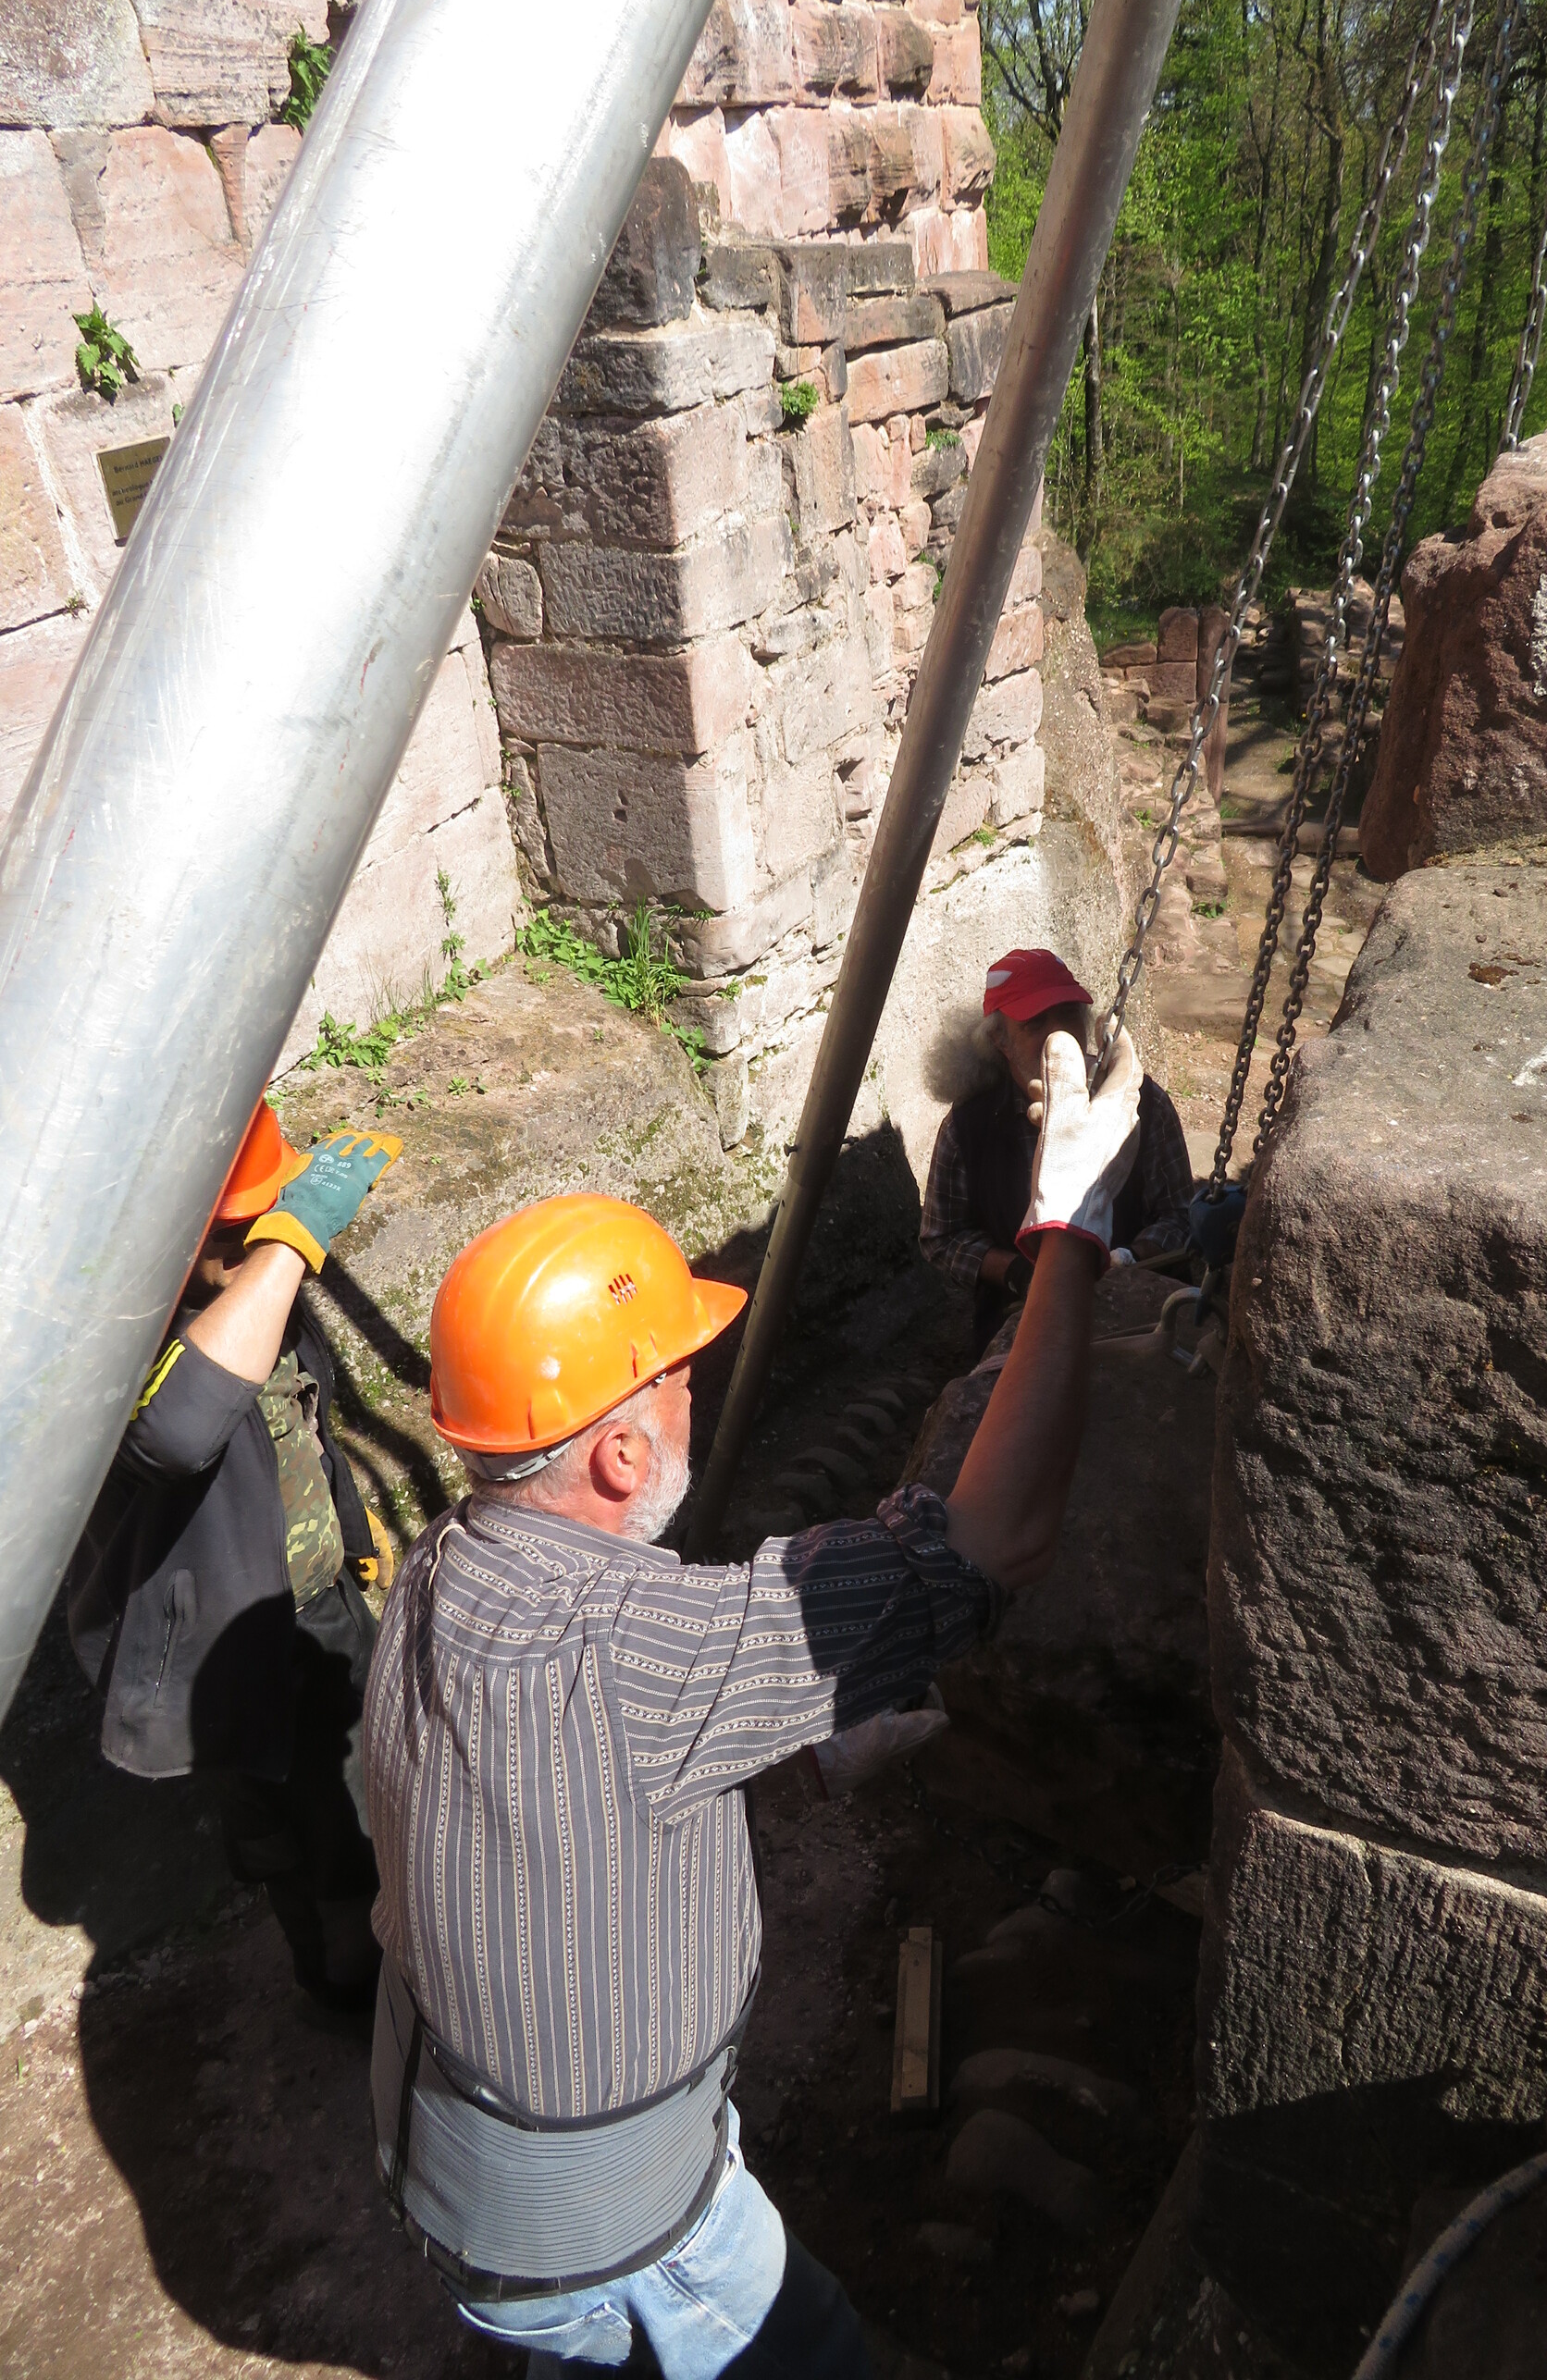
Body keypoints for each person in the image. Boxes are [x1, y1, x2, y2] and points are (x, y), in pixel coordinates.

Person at [363, 1026, 1147, 2377]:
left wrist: (781, 1752)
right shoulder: (638, 1652)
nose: (693, 1389)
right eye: (677, 1376)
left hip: (450, 2167)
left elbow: (536, 1799)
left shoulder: (440, 1569)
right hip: (619, 2232)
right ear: (620, 1454)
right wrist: (1065, 1237)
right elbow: (987, 1543)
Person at [67, 1104, 402, 2007]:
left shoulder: (255, 1289)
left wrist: (351, 1535)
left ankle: (380, 1951)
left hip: (317, 1602)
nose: (258, 1239)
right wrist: (287, 1245)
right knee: (313, 1837)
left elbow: (308, 1425)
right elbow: (179, 1432)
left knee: (368, 1796)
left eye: (270, 1214)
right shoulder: (117, 1332)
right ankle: (351, 1991)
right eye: (239, 1227)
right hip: (228, 1642)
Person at [922, 947, 1194, 1350]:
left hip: (1139, 1318)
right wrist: (1017, 1272)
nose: (1059, 1036)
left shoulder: (1141, 1103)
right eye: (1035, 1023)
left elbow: (1180, 1214)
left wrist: (1126, 1261)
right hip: (1019, 1326)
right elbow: (941, 1237)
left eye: (1068, 1014)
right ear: (999, 1040)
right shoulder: (968, 1129)